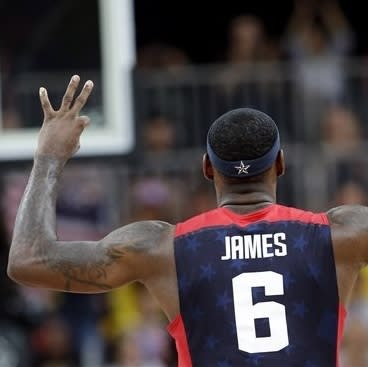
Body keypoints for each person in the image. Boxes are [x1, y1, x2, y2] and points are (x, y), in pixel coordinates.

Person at [7, 75, 368, 367]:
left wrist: (48, 158)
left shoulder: (162, 247)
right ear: (281, 165)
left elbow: (27, 261)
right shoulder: (340, 234)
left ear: (208, 169)